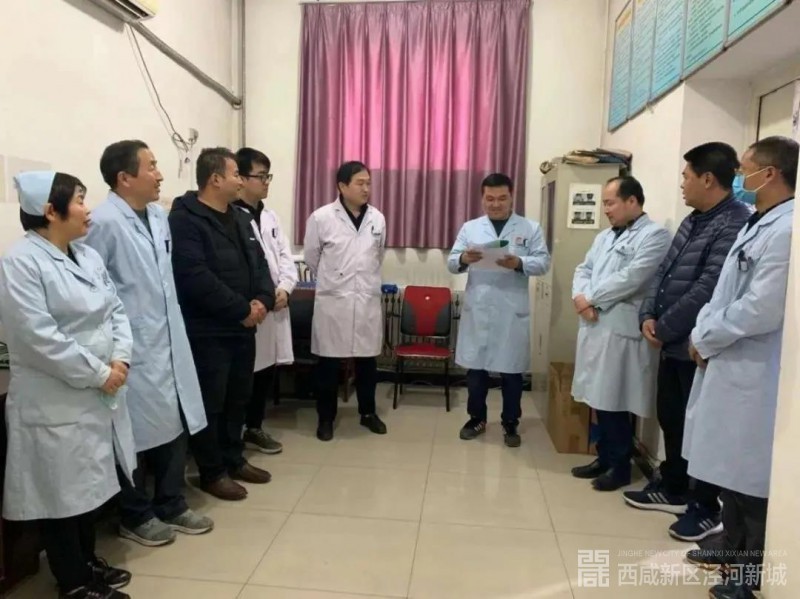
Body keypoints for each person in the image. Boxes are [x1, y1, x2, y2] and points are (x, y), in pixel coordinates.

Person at [0, 171, 135, 599]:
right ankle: (74, 582)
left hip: (93, 395)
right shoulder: (20, 263)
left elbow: (116, 310)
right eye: (79, 199)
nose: (87, 208)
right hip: (54, 399)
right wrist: (100, 373)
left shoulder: (87, 256)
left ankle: (87, 562)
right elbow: (38, 338)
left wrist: (121, 357)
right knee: (60, 496)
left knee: (88, 489)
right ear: (50, 211)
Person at [682, 136, 797, 599]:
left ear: (769, 174)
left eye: (744, 168)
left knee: (749, 477)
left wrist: (707, 335)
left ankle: (748, 575)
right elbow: (722, 292)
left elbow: (762, 308)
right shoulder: (758, 221)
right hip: (727, 356)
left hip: (754, 368)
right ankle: (730, 545)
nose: (738, 176)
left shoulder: (787, 230)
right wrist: (702, 331)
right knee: (729, 470)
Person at [84, 140, 214, 547]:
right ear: (125, 177)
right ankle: (135, 514)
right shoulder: (103, 222)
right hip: (129, 344)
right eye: (152, 166)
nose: (159, 174)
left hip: (168, 335)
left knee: (175, 417)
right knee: (132, 431)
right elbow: (92, 288)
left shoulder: (158, 216)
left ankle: (172, 502)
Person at [622, 143, 751, 542]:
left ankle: (705, 506)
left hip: (698, 346)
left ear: (707, 179)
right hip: (673, 344)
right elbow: (664, 273)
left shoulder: (733, 223)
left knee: (701, 430)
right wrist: (648, 314)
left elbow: (708, 287)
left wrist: (665, 327)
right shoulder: (694, 219)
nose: (682, 183)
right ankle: (675, 487)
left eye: (686, 176)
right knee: (672, 417)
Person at [169, 147, 275, 501]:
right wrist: (241, 308)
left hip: (243, 328)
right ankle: (211, 471)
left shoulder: (241, 218)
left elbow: (260, 264)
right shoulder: (185, 220)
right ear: (215, 179)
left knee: (237, 399)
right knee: (211, 402)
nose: (241, 181)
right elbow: (194, 277)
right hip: (209, 331)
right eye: (235, 174)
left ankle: (234, 458)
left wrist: (263, 300)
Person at [570, 176, 671, 491]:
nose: (606, 210)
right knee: (599, 399)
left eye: (610, 203)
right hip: (596, 323)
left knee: (614, 400)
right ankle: (604, 456)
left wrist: (591, 298)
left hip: (620, 329)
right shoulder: (604, 237)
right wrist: (580, 297)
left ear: (632, 201)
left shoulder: (655, 236)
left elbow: (633, 277)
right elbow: (583, 269)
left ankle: (620, 466)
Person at [447, 173, 550, 447]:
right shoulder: (471, 228)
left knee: (511, 372)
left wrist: (519, 263)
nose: (495, 204)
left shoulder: (530, 228)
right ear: (482, 198)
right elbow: (452, 262)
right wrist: (464, 258)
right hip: (479, 308)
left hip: (511, 310)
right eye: (490, 199)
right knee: (476, 371)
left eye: (502, 198)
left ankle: (510, 421)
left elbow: (543, 262)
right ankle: (476, 418)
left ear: (511, 197)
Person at [303, 161, 388, 441]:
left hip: (366, 300)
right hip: (334, 302)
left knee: (367, 362)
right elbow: (312, 258)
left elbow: (378, 255)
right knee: (328, 364)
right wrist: (337, 280)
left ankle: (368, 413)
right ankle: (326, 418)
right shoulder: (321, 218)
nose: (366, 188)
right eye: (360, 183)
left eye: (368, 183)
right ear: (342, 186)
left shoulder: (377, 218)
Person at [234, 147, 295, 454]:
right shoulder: (232, 216)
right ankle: (236, 432)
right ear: (241, 179)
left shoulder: (270, 217)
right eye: (261, 176)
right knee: (244, 375)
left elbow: (285, 256)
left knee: (265, 371)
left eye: (268, 176)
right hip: (250, 309)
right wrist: (265, 297)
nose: (266, 182)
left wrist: (285, 288)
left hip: (275, 306)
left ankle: (255, 427)